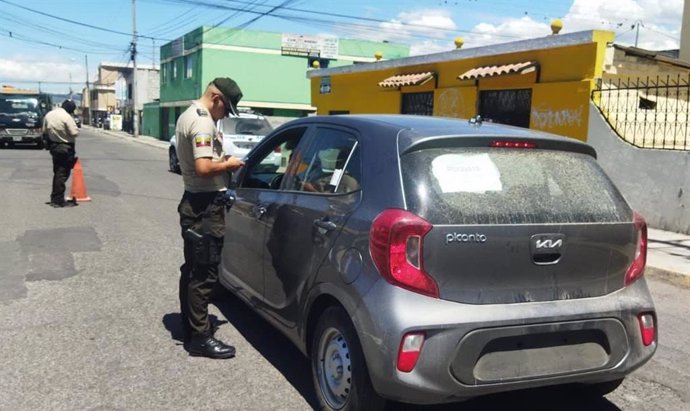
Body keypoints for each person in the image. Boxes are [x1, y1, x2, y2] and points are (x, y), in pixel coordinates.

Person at [176, 78, 245, 359]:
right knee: (204, 273)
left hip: (195, 202)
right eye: (225, 109)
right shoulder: (203, 121)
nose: (225, 115)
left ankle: (191, 326)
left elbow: (202, 160)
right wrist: (228, 164)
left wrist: (220, 159)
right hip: (204, 206)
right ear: (216, 98)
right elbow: (204, 167)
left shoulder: (189, 115)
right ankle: (200, 338)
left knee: (193, 269)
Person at [43, 100, 79, 208]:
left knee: (57, 172)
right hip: (65, 147)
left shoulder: (49, 114)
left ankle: (55, 197)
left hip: (54, 146)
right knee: (62, 174)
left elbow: (44, 131)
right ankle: (58, 200)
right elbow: (74, 132)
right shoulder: (67, 117)